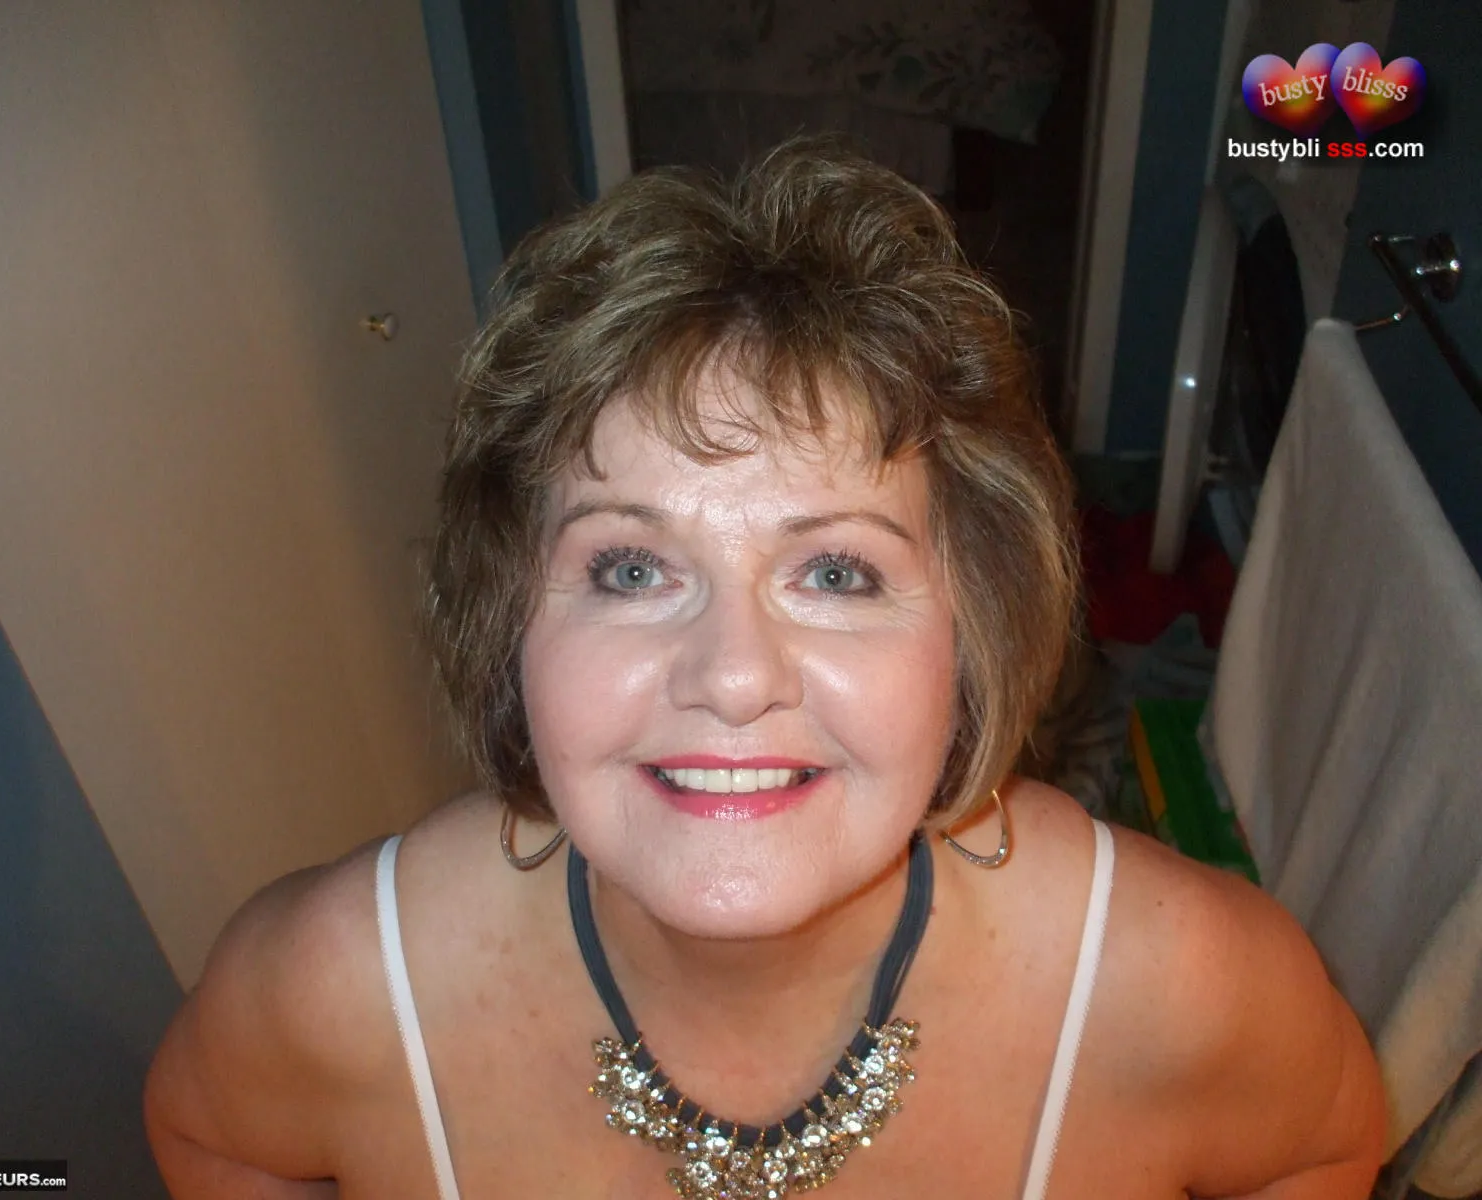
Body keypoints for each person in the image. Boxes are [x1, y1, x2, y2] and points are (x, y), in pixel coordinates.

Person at [144, 141, 1385, 1199]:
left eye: (835, 572)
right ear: (507, 622)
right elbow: (210, 1136)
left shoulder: (1181, 989)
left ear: (972, 633)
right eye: (632, 567)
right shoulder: (333, 990)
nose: (733, 679)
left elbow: (1323, 1149)